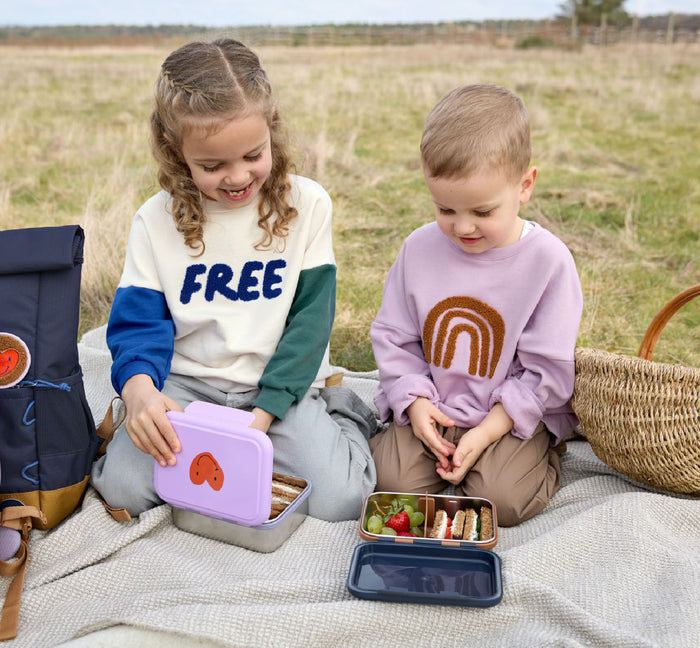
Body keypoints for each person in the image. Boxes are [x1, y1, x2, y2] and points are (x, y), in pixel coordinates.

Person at [91, 39, 376, 522]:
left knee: (341, 500)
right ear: (175, 152)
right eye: (212, 165)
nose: (238, 176)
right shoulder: (154, 220)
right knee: (122, 492)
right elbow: (139, 324)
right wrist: (138, 391)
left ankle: (342, 411)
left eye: (252, 154)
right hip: (186, 389)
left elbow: (309, 325)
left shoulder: (307, 205)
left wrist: (261, 419)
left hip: (276, 390)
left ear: (272, 131)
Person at [369, 84, 583, 526]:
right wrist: (414, 405)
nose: (462, 226)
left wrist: (486, 433)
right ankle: (423, 442)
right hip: (436, 401)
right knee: (392, 487)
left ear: (525, 185)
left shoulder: (549, 261)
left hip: (508, 415)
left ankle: (543, 454)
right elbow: (395, 338)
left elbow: (547, 370)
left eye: (483, 212)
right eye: (444, 208)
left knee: (497, 503)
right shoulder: (419, 249)